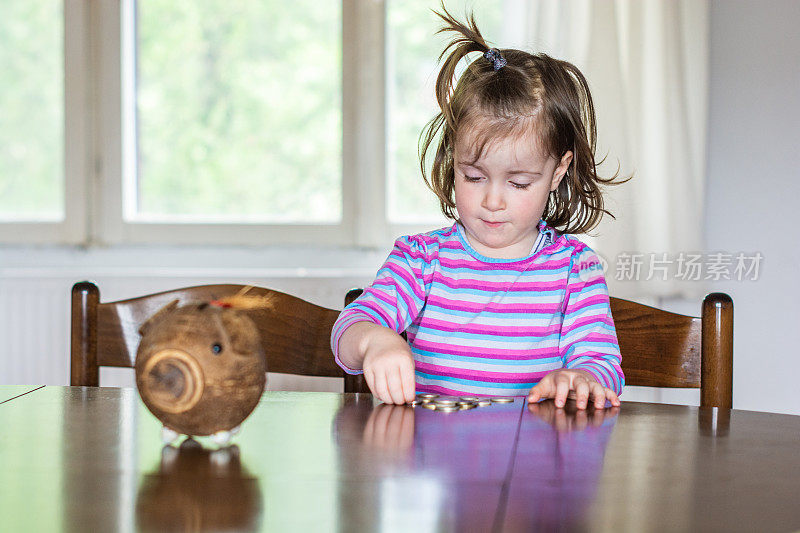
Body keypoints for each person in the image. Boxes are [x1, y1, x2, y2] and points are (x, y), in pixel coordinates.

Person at [331, 5, 625, 409]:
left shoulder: (576, 269)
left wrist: (582, 378)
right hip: (434, 466)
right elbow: (349, 330)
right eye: (473, 176)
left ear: (559, 172)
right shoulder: (421, 260)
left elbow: (602, 363)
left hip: (535, 465)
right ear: (454, 160)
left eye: (519, 182)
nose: (492, 201)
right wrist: (375, 340)